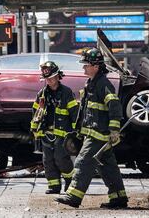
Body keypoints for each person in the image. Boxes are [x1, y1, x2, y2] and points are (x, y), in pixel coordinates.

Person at [55, 48, 128, 209]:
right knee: (107, 167)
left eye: (86, 65)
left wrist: (114, 130)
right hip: (93, 133)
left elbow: (114, 106)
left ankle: (73, 196)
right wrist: (80, 131)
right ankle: (119, 197)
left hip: (99, 135)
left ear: (95, 66)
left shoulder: (103, 84)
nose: (83, 68)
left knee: (83, 162)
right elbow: (87, 110)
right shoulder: (91, 83)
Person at [30, 61, 78, 194]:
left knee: (61, 159)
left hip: (63, 134)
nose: (49, 81)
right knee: (48, 161)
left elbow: (74, 112)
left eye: (51, 78)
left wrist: (76, 133)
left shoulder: (66, 92)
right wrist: (35, 130)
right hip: (46, 133)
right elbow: (35, 113)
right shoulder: (42, 94)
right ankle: (54, 185)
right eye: (47, 79)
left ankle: (70, 181)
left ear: (58, 76)